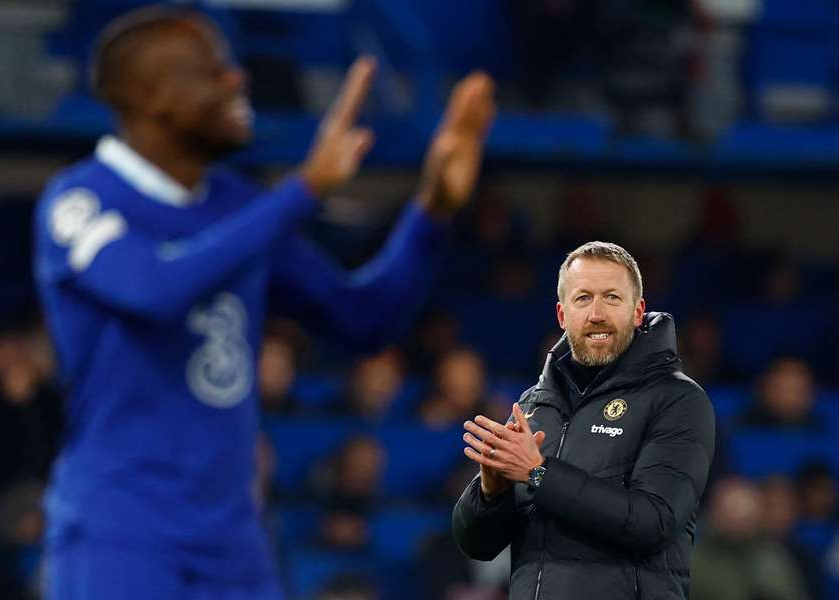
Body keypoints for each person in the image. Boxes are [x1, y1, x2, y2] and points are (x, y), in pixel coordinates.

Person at [33, 6, 495, 600]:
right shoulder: (80, 199)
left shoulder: (236, 205)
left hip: (234, 543)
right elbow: (153, 289)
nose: (236, 80)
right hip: (121, 533)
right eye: (212, 70)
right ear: (151, 96)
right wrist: (304, 189)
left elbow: (362, 319)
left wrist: (432, 211)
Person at [452, 241, 716, 599]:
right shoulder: (535, 403)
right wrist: (490, 492)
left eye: (612, 297)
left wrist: (538, 474)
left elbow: (653, 523)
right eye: (583, 298)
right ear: (562, 315)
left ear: (638, 311)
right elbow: (479, 546)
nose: (597, 314)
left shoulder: (678, 400)